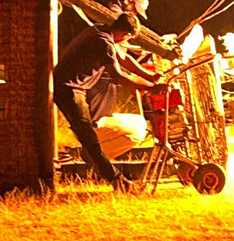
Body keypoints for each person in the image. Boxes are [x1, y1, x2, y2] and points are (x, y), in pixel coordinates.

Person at [54, 12, 160, 191]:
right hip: (70, 89)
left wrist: (150, 76)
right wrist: (151, 86)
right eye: (127, 38)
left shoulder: (98, 30)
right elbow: (119, 75)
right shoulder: (104, 43)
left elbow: (124, 59)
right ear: (125, 34)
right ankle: (119, 182)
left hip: (71, 86)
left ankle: (107, 173)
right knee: (90, 140)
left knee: (89, 139)